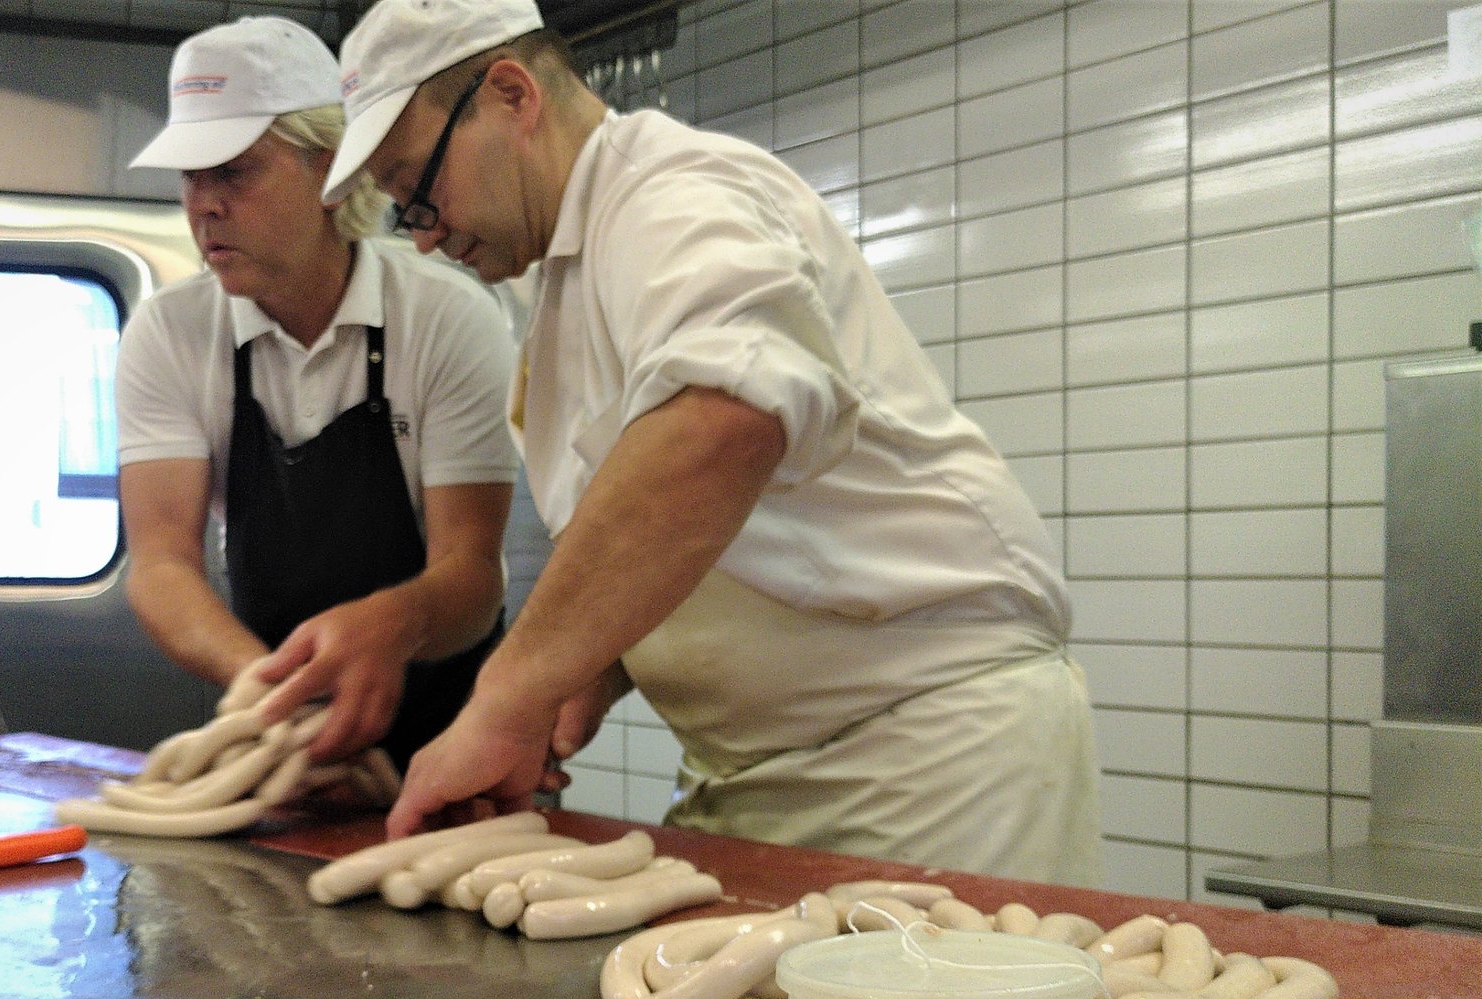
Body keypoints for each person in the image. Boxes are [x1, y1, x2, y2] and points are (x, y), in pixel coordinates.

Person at [310, 0, 1103, 884]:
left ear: (510, 95)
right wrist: (589, 670)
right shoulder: (563, 277)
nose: (420, 229)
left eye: (418, 183)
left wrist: (506, 694)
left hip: (925, 759)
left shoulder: (673, 195)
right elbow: (700, 532)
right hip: (756, 773)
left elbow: (725, 423)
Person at [118, 16, 519, 771]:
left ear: (331, 172)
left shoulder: (446, 318)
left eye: (233, 170)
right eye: (189, 175)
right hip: (281, 750)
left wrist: (391, 624)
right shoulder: (168, 334)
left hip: (454, 749)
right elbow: (162, 562)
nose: (202, 204)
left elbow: (472, 572)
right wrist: (273, 693)